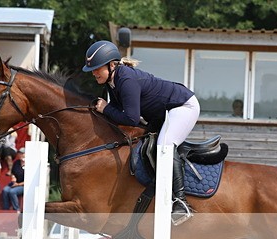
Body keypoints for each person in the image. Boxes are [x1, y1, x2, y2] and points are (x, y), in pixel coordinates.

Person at [84, 40, 198, 225]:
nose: (94, 73)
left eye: (97, 68)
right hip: (162, 115)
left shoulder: (126, 80)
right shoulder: (112, 82)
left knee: (164, 147)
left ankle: (180, 202)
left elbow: (131, 118)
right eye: (93, 69)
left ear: (112, 65)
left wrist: (104, 109)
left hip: (182, 106)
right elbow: (118, 113)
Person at [2, 147, 25, 212]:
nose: (21, 155)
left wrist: (18, 184)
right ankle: (6, 209)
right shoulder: (16, 163)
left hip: (23, 185)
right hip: (16, 183)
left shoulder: (29, 164)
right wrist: (13, 177)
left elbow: (29, 180)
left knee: (12, 192)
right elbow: (13, 172)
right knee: (5, 190)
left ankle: (16, 209)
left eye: (22, 153)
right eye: (20, 153)